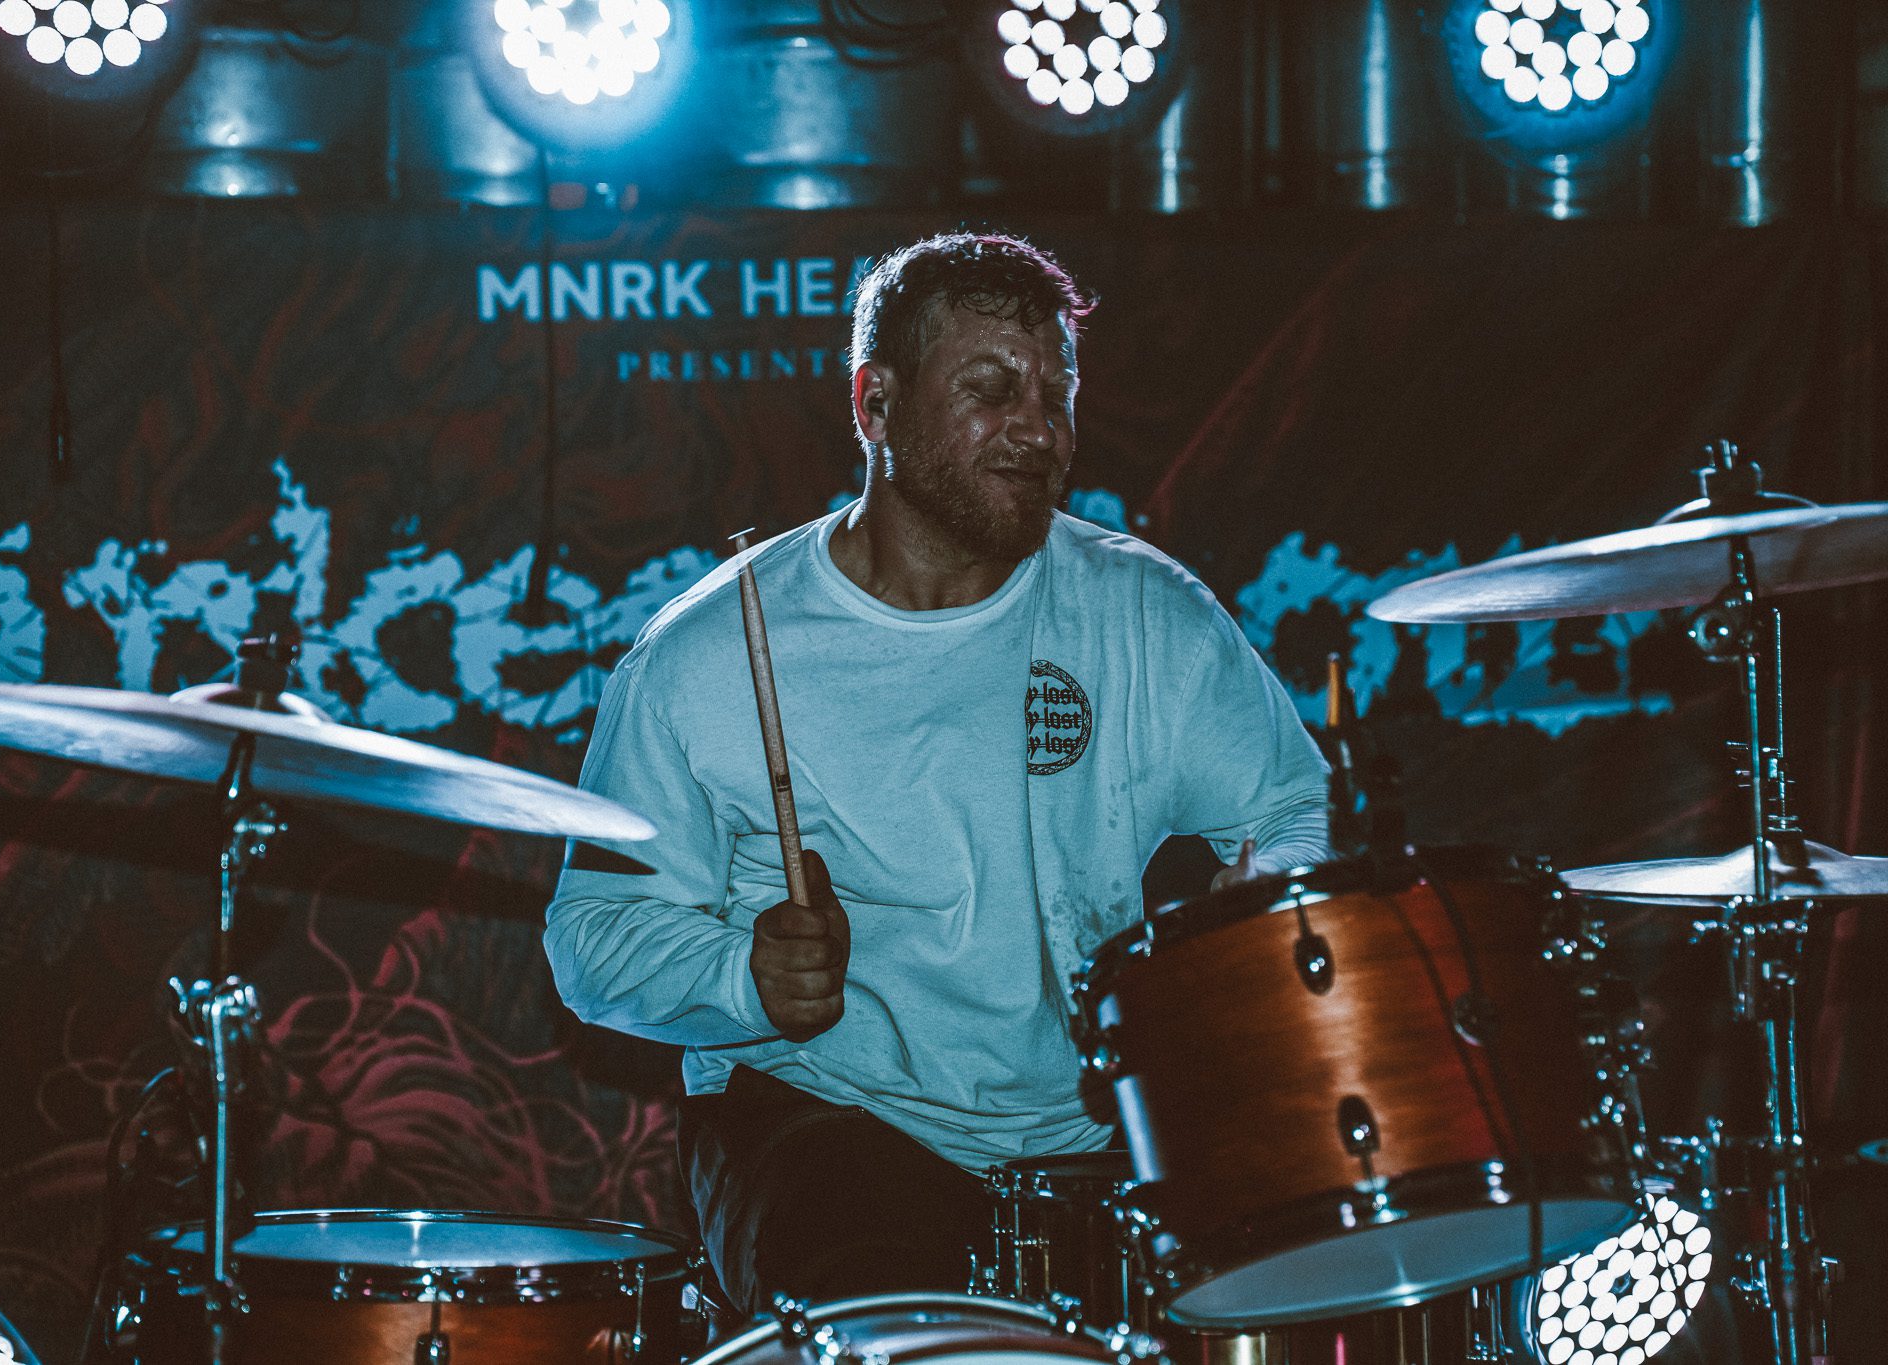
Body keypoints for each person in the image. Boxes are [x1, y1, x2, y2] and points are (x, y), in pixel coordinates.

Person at [544, 232, 1328, 1317]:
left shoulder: (1142, 611)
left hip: (1093, 1123)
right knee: (896, 1309)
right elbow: (590, 938)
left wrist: (1263, 893)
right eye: (991, 390)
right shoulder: (708, 653)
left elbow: (1291, 807)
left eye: (1056, 394)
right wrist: (744, 978)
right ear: (875, 405)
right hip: (825, 1110)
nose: (1039, 429)